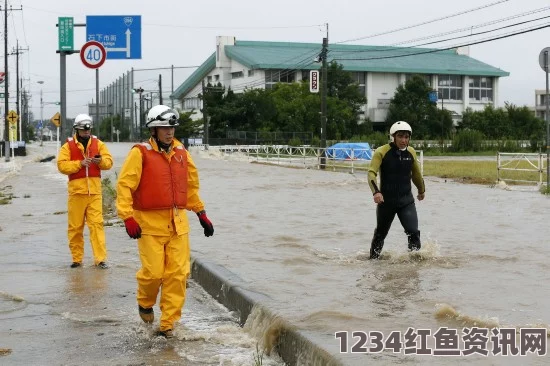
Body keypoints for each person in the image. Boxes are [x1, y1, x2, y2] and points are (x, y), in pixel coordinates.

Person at [116, 104, 214, 338]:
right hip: (149, 225)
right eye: (164, 127)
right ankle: (145, 302)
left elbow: (189, 187)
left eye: (171, 127)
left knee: (178, 275)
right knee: (153, 274)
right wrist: (127, 216)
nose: (169, 132)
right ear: (153, 130)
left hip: (178, 224)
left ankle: (168, 324)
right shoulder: (139, 153)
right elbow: (125, 185)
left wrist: (201, 213)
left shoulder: (182, 153)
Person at [57, 114, 114, 268]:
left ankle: (100, 259)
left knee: (97, 226)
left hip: (94, 193)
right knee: (75, 227)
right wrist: (80, 164)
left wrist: (100, 161)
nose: (86, 133)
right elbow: (62, 166)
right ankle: (77, 259)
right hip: (76, 194)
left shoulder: (99, 144)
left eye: (88, 130)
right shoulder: (67, 146)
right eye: (83, 130)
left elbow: (109, 163)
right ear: (77, 129)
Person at [367, 121, 425, 259]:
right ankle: (372, 262)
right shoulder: (381, 152)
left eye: (406, 137)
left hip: (406, 201)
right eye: (400, 136)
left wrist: (421, 190)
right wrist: (376, 192)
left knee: (413, 232)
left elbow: (416, 174)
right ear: (393, 136)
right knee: (381, 234)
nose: (404, 140)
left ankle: (414, 265)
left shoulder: (411, 152)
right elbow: (371, 173)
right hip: (386, 202)